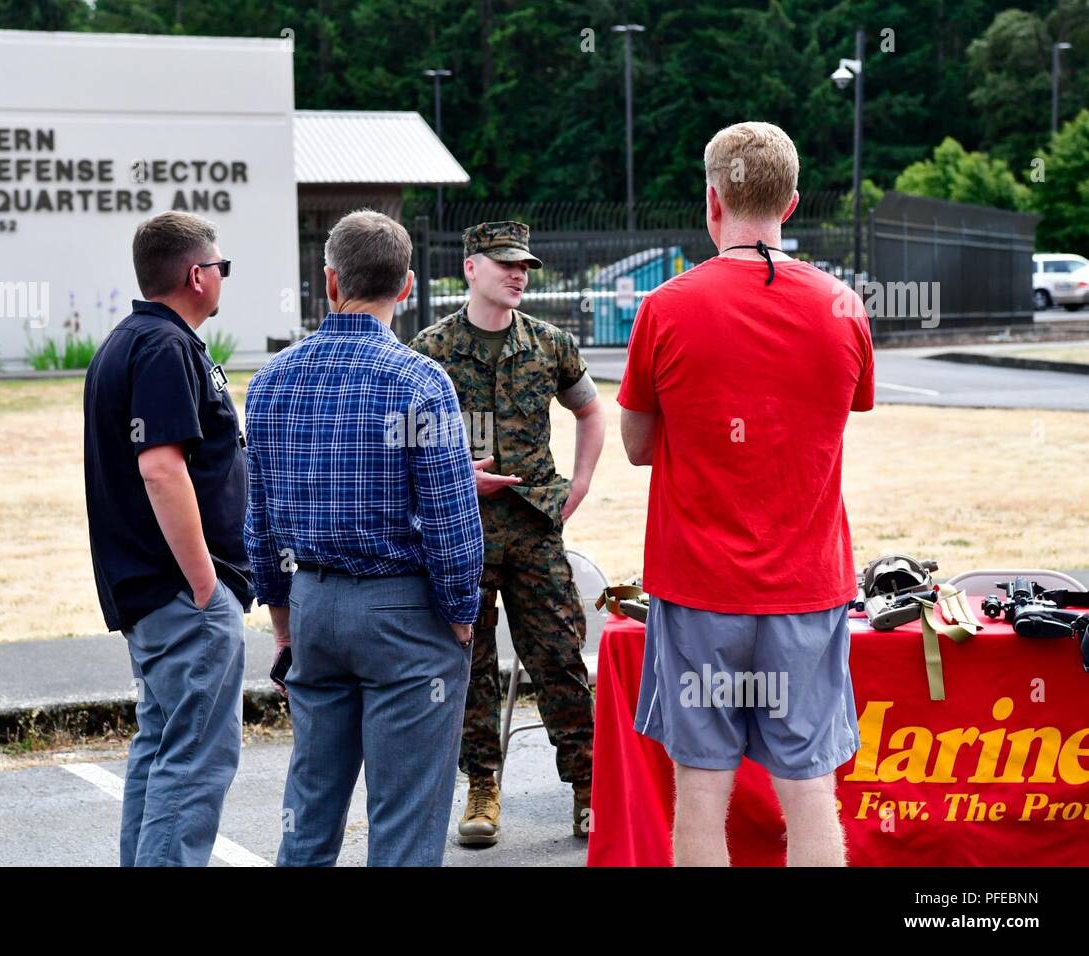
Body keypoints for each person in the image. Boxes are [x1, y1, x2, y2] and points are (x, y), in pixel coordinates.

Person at [618, 122, 875, 866]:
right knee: (808, 787)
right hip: (805, 583)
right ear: (791, 203)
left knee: (701, 786)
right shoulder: (842, 307)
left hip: (699, 585)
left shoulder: (665, 308)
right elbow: (837, 416)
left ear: (712, 200)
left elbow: (637, 447)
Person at [244, 209, 483, 867]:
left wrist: (285, 625)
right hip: (404, 613)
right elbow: (450, 518)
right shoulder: (420, 381)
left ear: (329, 282)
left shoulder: (270, 382)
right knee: (404, 822)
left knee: (310, 811)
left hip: (314, 603)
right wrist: (461, 617)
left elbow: (259, 522)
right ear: (406, 287)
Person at [410, 220, 605, 846]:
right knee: (469, 666)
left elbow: (591, 410)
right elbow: (405, 444)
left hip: (533, 530)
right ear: (471, 268)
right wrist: (453, 478)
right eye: (504, 264)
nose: (518, 274)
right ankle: (483, 788)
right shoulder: (430, 350)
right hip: (461, 532)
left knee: (558, 660)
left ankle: (588, 789)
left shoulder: (549, 344)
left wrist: (577, 486)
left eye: (524, 265)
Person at [83, 210, 252, 867]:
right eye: (221, 267)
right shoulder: (164, 347)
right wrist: (206, 584)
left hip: (155, 596)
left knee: (161, 747)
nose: (222, 278)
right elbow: (161, 467)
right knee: (196, 760)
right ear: (196, 274)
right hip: (182, 597)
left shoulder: (130, 342)